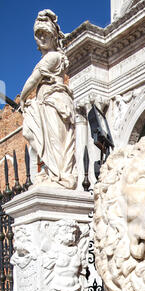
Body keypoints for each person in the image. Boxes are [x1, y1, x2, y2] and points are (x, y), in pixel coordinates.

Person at [20, 10, 77, 189]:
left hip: (54, 100)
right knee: (34, 134)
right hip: (46, 101)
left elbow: (33, 79)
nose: (42, 39)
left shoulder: (53, 57)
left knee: (55, 141)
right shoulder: (48, 57)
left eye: (46, 34)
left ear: (54, 36)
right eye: (39, 35)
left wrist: (22, 97)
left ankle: (59, 175)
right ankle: (51, 172)